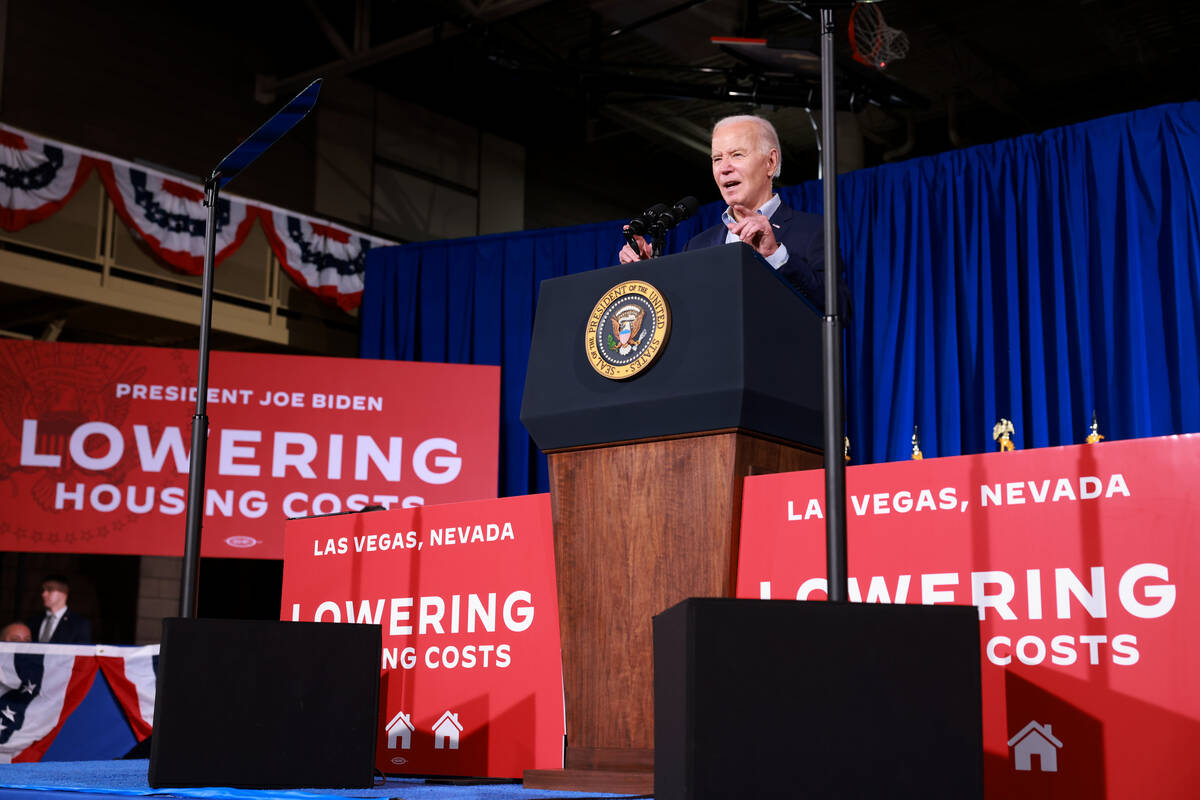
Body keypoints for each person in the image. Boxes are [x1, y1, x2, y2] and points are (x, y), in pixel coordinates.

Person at [619, 114, 850, 318]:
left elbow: (838, 309)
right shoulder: (697, 245)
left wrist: (776, 254)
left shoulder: (812, 230)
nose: (724, 168)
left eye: (736, 155)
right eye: (717, 159)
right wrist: (646, 273)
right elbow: (683, 317)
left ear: (770, 162)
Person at [26, 575, 92, 644]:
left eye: (49, 590)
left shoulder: (79, 624)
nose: (44, 594)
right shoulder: (33, 620)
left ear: (63, 593)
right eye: (43, 590)